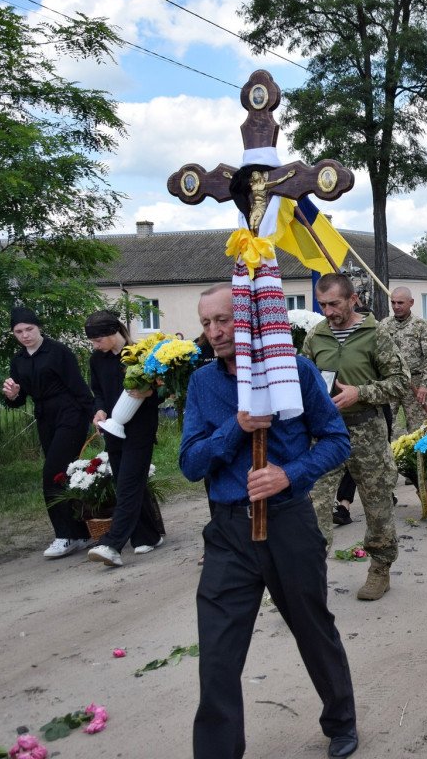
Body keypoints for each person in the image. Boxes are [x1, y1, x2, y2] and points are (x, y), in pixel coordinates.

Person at [179, 283, 358, 759]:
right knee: (216, 655)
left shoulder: (294, 371)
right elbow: (192, 463)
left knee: (312, 629)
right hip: (228, 533)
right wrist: (234, 429)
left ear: (250, 319)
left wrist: (288, 475)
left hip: (287, 524)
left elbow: (336, 440)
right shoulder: (202, 383)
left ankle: (341, 721)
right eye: (206, 323)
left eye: (223, 320)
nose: (214, 332)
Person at [302, 274, 409, 601]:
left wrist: (360, 393)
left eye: (334, 303)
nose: (328, 311)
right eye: (322, 305)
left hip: (367, 431)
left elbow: (401, 382)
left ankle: (380, 568)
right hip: (325, 435)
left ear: (352, 299)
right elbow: (303, 380)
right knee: (314, 505)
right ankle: (309, 577)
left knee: (377, 504)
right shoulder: (315, 336)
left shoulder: (376, 334)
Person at [2, 307, 94, 558]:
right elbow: (18, 400)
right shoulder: (18, 360)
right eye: (18, 331)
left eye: (29, 329)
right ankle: (82, 532)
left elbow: (78, 385)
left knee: (51, 474)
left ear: (38, 327)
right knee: (65, 475)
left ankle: (65, 536)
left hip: (70, 414)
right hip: (45, 418)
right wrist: (12, 395)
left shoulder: (58, 352)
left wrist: (95, 415)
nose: (25, 335)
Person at [84, 311, 165, 567]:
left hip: (140, 429)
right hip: (112, 430)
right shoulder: (97, 360)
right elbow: (97, 392)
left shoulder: (141, 355)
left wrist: (151, 392)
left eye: (98, 340)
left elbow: (165, 388)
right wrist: (98, 411)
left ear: (112, 332)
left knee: (129, 483)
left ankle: (112, 543)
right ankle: (149, 535)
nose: (95, 346)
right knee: (125, 482)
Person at [382, 286, 427, 436]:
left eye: (400, 303)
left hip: (415, 383)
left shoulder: (421, 326)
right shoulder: (383, 325)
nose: (396, 307)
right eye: (393, 302)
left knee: (419, 430)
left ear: (411, 302)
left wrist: (425, 384)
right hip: (390, 382)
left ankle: (418, 459)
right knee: (384, 425)